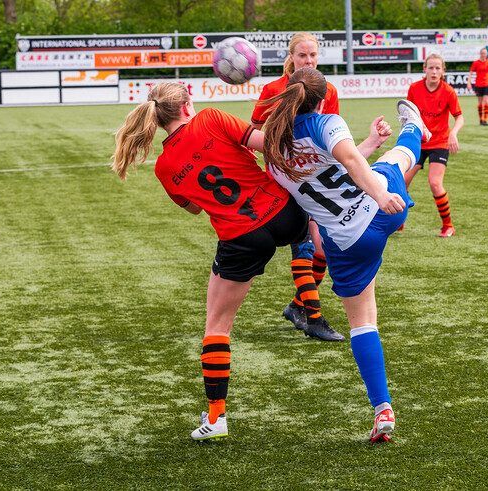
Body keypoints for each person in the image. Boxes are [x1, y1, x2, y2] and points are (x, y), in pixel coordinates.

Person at [111, 82, 310, 441]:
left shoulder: (164, 166)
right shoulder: (212, 118)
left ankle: (217, 417)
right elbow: (267, 144)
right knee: (312, 224)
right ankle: (310, 294)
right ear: (188, 105)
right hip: (283, 214)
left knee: (216, 327)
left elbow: (193, 207)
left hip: (242, 239)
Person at [262, 67, 431, 443]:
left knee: (363, 324)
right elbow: (352, 164)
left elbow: (326, 174)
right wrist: (381, 194)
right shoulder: (327, 123)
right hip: (382, 209)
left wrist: (367, 142)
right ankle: (415, 127)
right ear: (321, 100)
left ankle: (382, 408)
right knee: (395, 162)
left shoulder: (274, 158)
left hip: (348, 243)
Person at [251, 32, 342, 341]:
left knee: (323, 250)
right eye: (303, 56)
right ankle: (314, 318)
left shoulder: (326, 89)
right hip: (286, 182)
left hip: (315, 179)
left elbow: (330, 133)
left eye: (313, 55)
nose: (309, 61)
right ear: (290, 58)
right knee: (304, 245)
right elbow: (254, 131)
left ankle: (296, 305)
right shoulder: (273, 90)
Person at [403, 53, 464, 238]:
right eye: (431, 67)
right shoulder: (414, 89)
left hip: (439, 142)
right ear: (425, 69)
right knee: (402, 182)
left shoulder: (448, 91)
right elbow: (409, 113)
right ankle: (399, 221)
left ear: (443, 71)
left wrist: (453, 133)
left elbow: (459, 116)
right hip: (419, 142)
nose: (434, 71)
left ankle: (448, 226)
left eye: (438, 68)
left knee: (435, 183)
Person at [467, 48, 488, 126]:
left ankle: (485, 120)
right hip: (478, 85)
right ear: (480, 54)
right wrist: (469, 83)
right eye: (483, 53)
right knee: (480, 103)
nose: (484, 55)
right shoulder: (476, 63)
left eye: (485, 53)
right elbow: (470, 73)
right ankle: (481, 119)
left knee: (486, 101)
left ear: (487, 54)